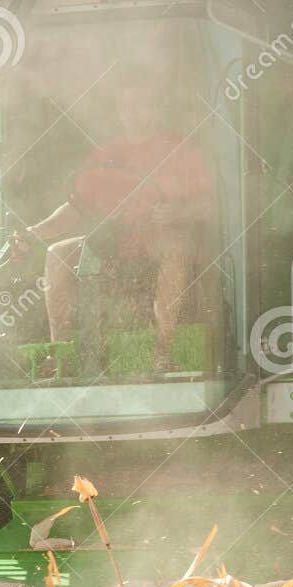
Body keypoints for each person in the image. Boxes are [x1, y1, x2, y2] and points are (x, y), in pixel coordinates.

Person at [21, 72, 213, 373]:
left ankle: (162, 352)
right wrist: (32, 233)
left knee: (176, 247)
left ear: (157, 107)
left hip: (157, 244)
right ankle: (63, 355)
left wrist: (178, 213)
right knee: (58, 253)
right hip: (113, 244)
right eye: (127, 105)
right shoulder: (105, 154)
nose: (133, 112)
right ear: (118, 110)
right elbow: (74, 208)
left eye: (142, 104)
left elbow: (210, 204)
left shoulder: (180, 149)